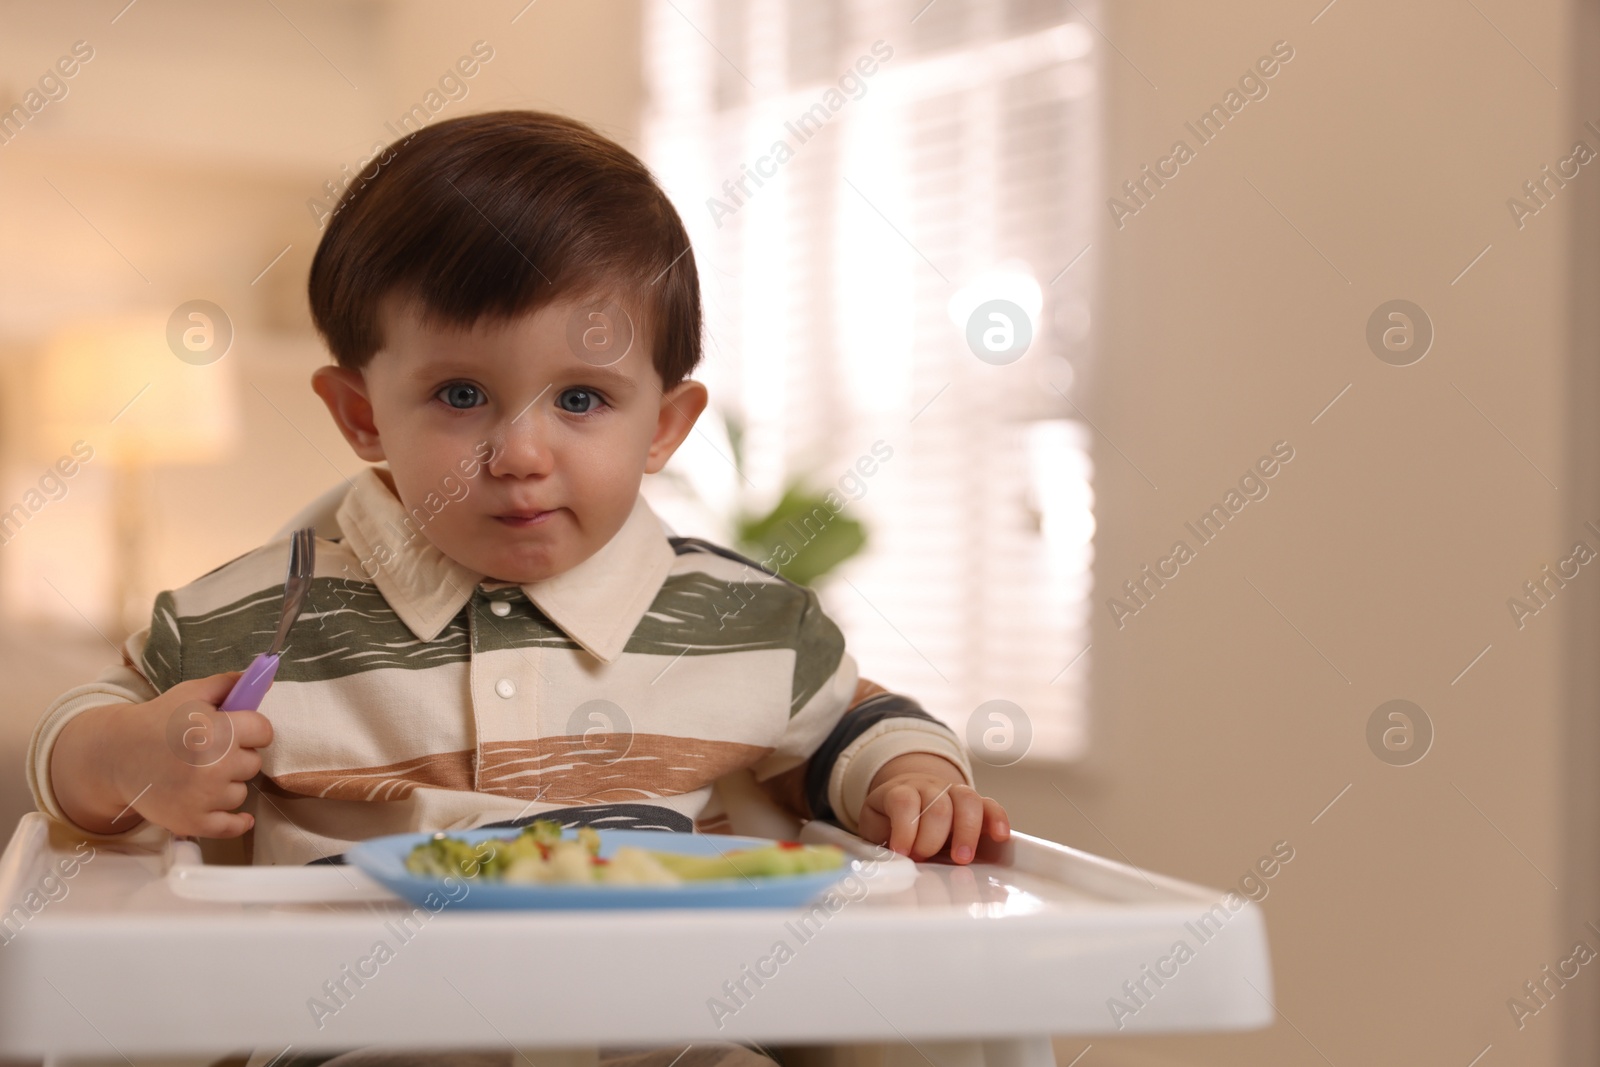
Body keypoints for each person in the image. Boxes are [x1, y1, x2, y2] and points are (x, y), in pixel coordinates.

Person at [25, 110, 1011, 1065]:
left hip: (669, 1031)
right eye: (461, 395)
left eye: (581, 398)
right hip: (368, 1030)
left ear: (663, 424)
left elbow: (851, 720)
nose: (522, 452)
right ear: (363, 414)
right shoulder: (262, 614)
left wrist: (910, 780)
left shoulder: (740, 619)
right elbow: (82, 732)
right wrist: (126, 753)